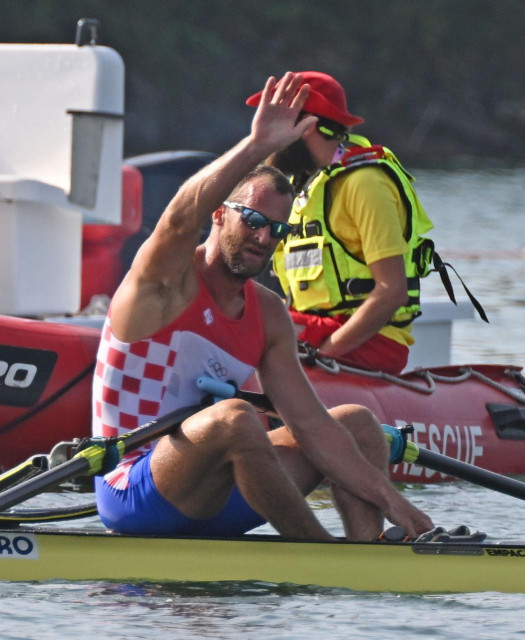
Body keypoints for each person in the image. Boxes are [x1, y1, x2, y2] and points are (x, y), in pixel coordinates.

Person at [92, 72, 435, 541]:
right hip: (136, 488)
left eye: (277, 230)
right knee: (234, 418)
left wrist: (395, 500)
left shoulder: (269, 314)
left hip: (219, 491)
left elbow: (312, 426)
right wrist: (257, 145)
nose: (262, 237)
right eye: (252, 220)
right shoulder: (164, 284)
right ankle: (322, 555)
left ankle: (366, 557)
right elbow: (177, 218)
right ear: (219, 215)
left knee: (354, 423)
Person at [246, 71, 436, 376]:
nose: (267, 134)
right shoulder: (304, 185)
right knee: (235, 314)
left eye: (275, 121)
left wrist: (322, 356)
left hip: (372, 342)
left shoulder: (364, 183)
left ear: (306, 126)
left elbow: (392, 292)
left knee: (251, 325)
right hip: (311, 331)